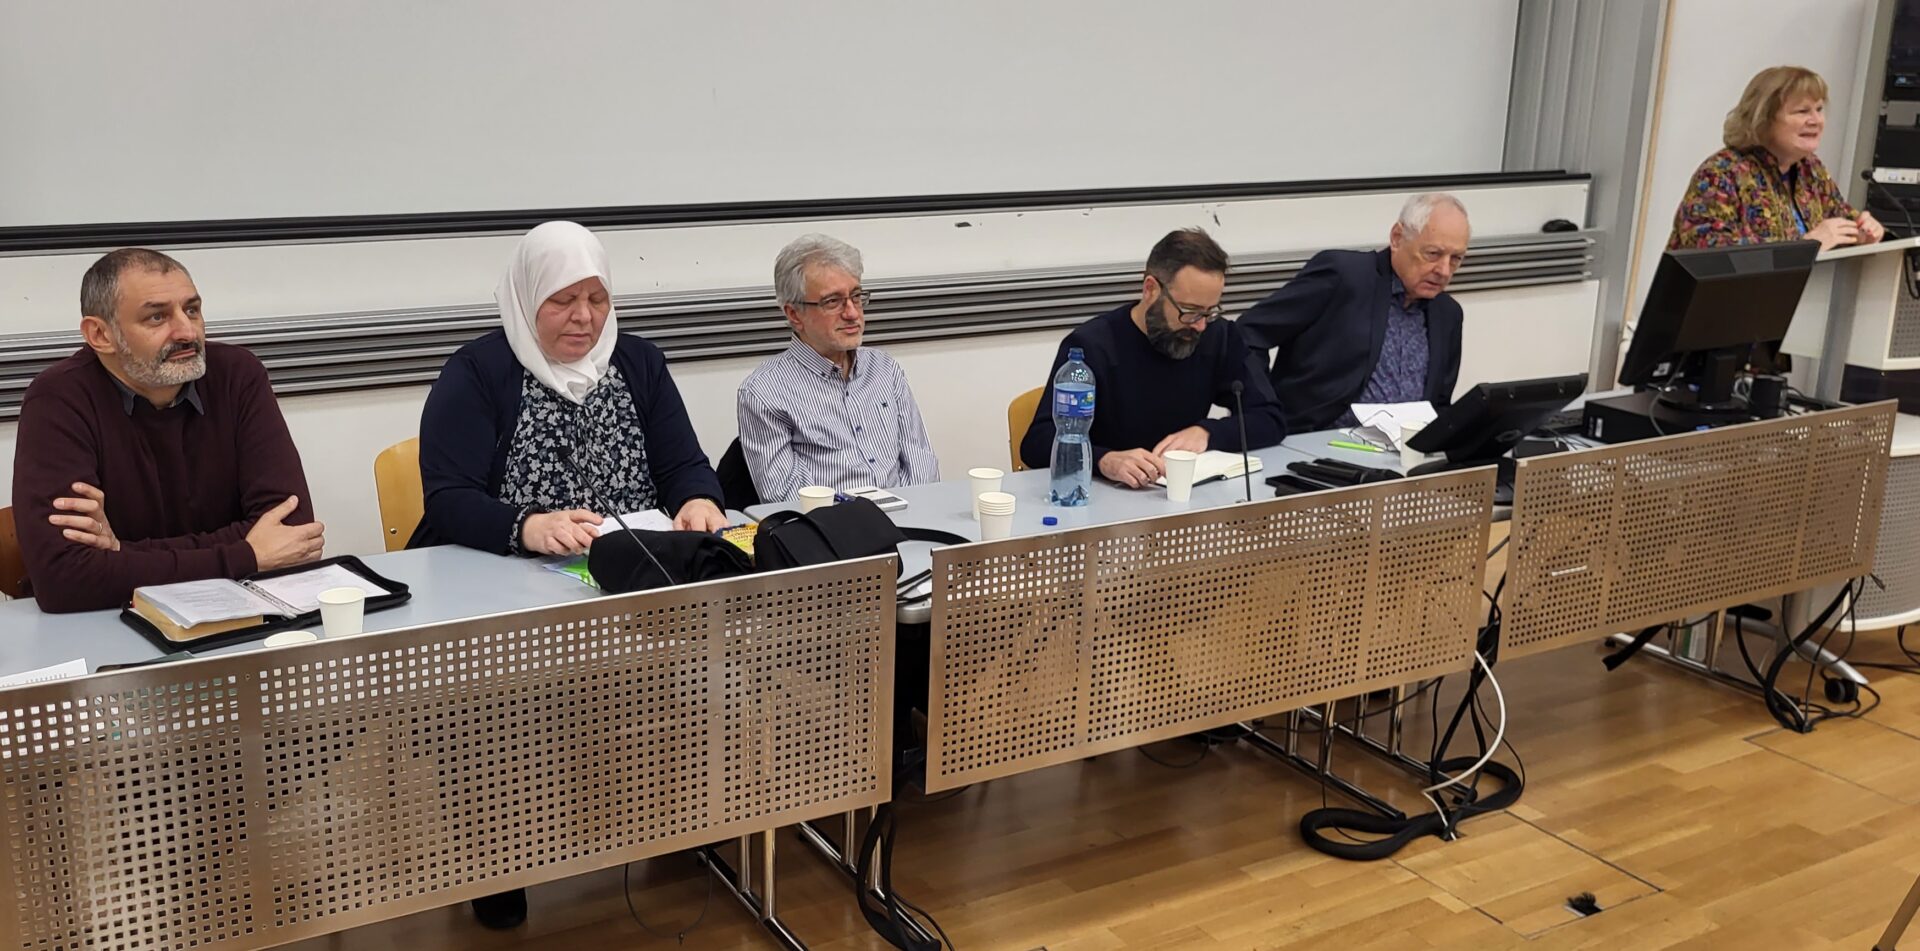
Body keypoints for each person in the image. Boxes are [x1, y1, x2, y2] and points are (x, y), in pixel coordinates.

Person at [11, 248, 322, 613]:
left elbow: (294, 535)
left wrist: (124, 555)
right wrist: (247, 554)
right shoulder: (58, 400)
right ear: (100, 334)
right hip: (109, 625)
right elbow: (64, 579)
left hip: (239, 618)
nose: (188, 332)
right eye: (157, 317)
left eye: (192, 309)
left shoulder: (238, 375)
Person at [414, 221, 727, 564]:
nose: (583, 316)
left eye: (597, 300)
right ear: (527, 298)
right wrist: (528, 527)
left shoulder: (640, 363)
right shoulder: (476, 372)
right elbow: (450, 500)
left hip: (633, 569)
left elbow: (683, 466)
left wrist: (698, 499)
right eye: (563, 300)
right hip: (508, 572)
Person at [1017, 228, 1285, 487]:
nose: (1200, 325)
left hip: (1184, 500)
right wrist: (1104, 460)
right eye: (1189, 311)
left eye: (1209, 312)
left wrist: (1209, 433)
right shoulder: (1092, 346)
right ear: (1150, 289)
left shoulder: (1219, 335)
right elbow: (1038, 443)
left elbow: (1270, 418)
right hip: (1106, 501)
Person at [1237, 193, 1469, 434]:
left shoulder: (1447, 314)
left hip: (1406, 456)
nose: (1444, 270)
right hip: (1319, 445)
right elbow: (1248, 334)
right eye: (1433, 254)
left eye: (1456, 259)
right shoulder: (1343, 276)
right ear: (1398, 237)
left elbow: (1439, 406)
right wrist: (1263, 409)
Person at [736, 234, 939, 503]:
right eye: (833, 302)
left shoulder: (885, 369)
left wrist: (917, 514)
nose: (853, 313)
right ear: (795, 315)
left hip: (909, 522)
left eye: (856, 296)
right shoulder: (764, 393)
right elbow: (786, 500)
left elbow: (921, 464)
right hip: (833, 535)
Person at [1670, 65, 1884, 253]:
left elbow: (1840, 223)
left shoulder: (1810, 169)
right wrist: (1805, 245)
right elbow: (1708, 253)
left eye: (1819, 109)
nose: (1816, 120)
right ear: (1763, 119)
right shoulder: (1721, 173)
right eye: (1802, 111)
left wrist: (1864, 232)